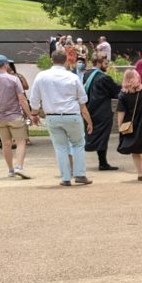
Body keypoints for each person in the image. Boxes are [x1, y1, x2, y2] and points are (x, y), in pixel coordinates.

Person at [29, 48, 94, 186]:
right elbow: (82, 101)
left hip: (52, 116)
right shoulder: (73, 77)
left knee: (60, 147)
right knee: (78, 144)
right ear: (66, 60)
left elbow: (34, 99)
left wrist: (34, 114)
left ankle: (65, 177)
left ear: (52, 60)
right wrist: (89, 121)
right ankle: (80, 174)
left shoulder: (41, 76)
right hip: (72, 115)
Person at [0, 55, 37, 179]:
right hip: (14, 116)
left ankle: (10, 170)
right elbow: (22, 99)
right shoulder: (14, 79)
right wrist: (30, 115)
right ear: (5, 65)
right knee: (21, 142)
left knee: (6, 144)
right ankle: (19, 167)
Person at [82, 54, 122, 171]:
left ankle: (100, 162)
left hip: (89, 110)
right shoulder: (103, 78)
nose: (107, 66)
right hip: (102, 111)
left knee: (89, 135)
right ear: (99, 63)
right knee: (102, 137)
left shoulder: (86, 74)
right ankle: (103, 163)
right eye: (105, 63)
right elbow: (115, 92)